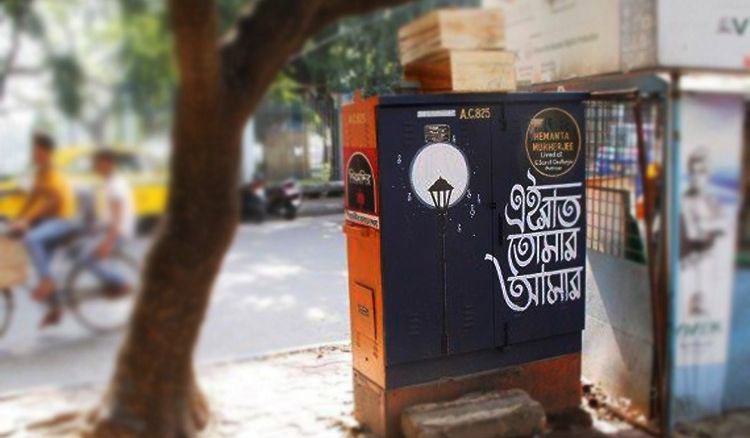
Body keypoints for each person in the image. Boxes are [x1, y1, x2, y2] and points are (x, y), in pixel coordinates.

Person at [10, 133, 78, 325]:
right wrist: (18, 219)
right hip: (49, 222)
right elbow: (32, 197)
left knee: (31, 239)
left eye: (35, 149)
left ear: (44, 152)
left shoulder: (53, 171)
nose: (32, 153)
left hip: (63, 220)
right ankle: (55, 309)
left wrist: (26, 222)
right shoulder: (40, 172)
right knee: (42, 265)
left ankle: (48, 282)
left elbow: (53, 201)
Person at [82, 148, 136, 297]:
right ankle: (112, 283)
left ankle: (122, 283)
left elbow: (117, 219)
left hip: (118, 233)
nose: (94, 167)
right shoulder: (110, 183)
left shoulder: (116, 186)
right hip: (109, 229)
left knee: (87, 259)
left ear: (107, 163)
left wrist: (107, 244)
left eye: (96, 163)